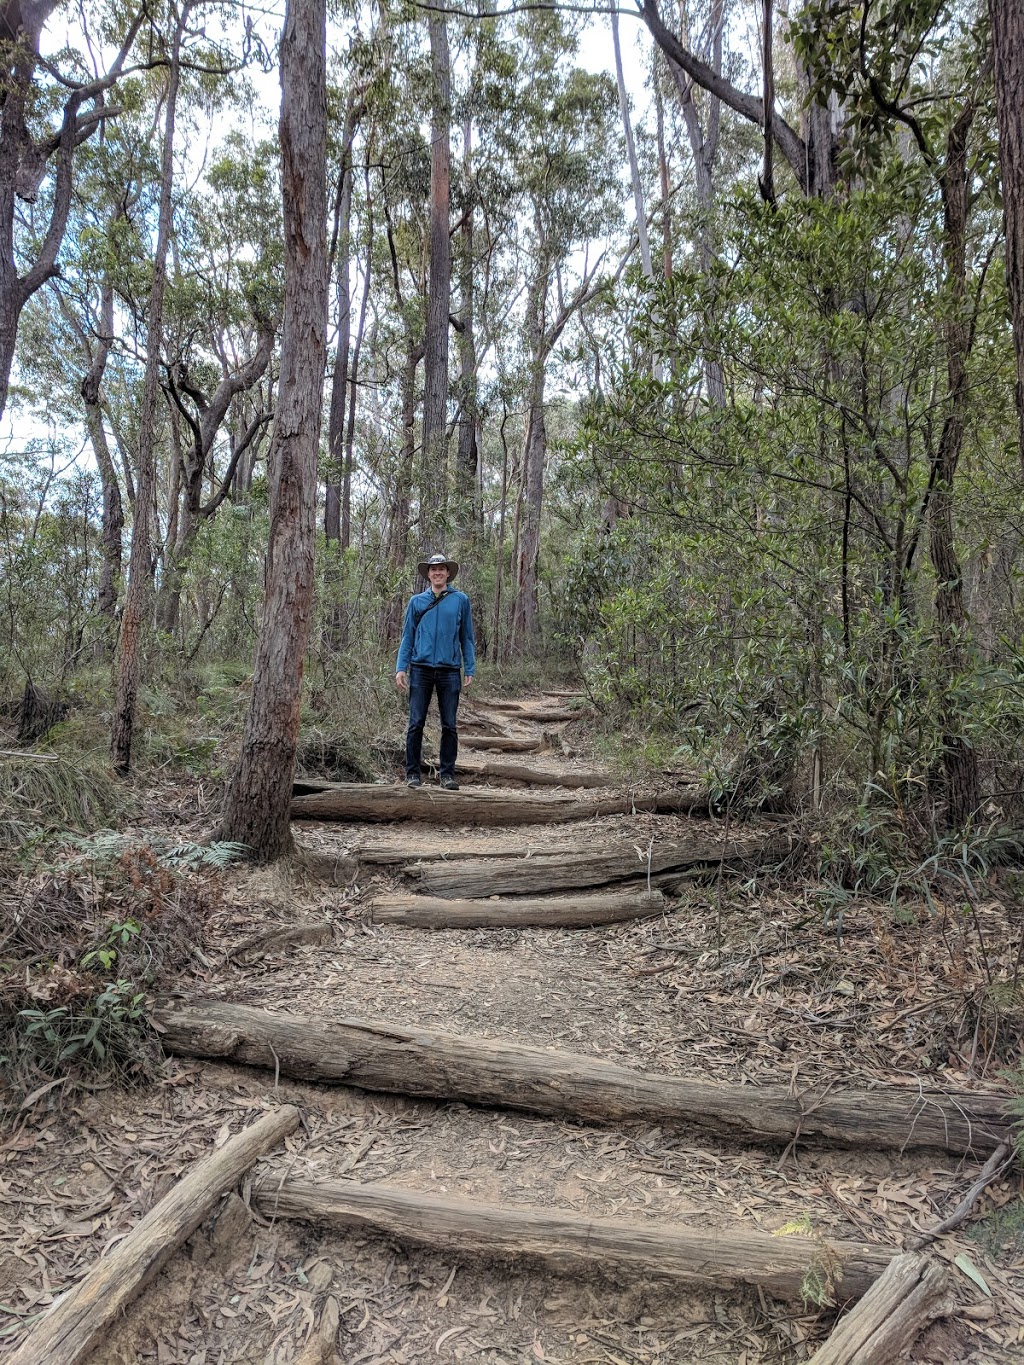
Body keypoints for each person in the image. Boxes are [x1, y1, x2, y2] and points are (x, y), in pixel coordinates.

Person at [395, 553, 475, 790]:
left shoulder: (460, 600)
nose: (437, 573)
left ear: (448, 573)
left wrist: (469, 667)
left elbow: (467, 637)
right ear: (428, 574)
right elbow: (407, 636)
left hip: (449, 670)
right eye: (433, 569)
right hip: (420, 669)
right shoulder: (417, 602)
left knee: (449, 724)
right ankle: (412, 774)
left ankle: (447, 774)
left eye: (442, 569)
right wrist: (401, 667)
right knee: (415, 722)